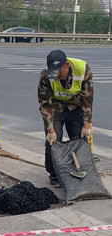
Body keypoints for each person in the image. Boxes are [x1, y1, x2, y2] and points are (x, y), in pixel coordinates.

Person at [38, 49, 93, 187]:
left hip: (75, 108)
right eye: (53, 73)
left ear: (66, 65)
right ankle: (54, 174)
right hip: (55, 109)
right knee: (53, 143)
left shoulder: (83, 69)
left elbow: (87, 99)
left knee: (79, 141)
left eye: (59, 73)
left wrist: (87, 124)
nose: (56, 76)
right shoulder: (45, 76)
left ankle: (79, 170)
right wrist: (50, 129)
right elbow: (45, 104)